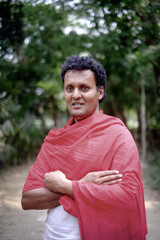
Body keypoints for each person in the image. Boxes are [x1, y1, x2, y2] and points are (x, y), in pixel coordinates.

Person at [21, 55, 147, 240]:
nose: (76, 95)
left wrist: (68, 186)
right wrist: (82, 185)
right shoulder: (55, 140)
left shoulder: (117, 136)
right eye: (69, 88)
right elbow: (28, 199)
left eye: (84, 88)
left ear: (100, 92)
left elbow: (127, 196)